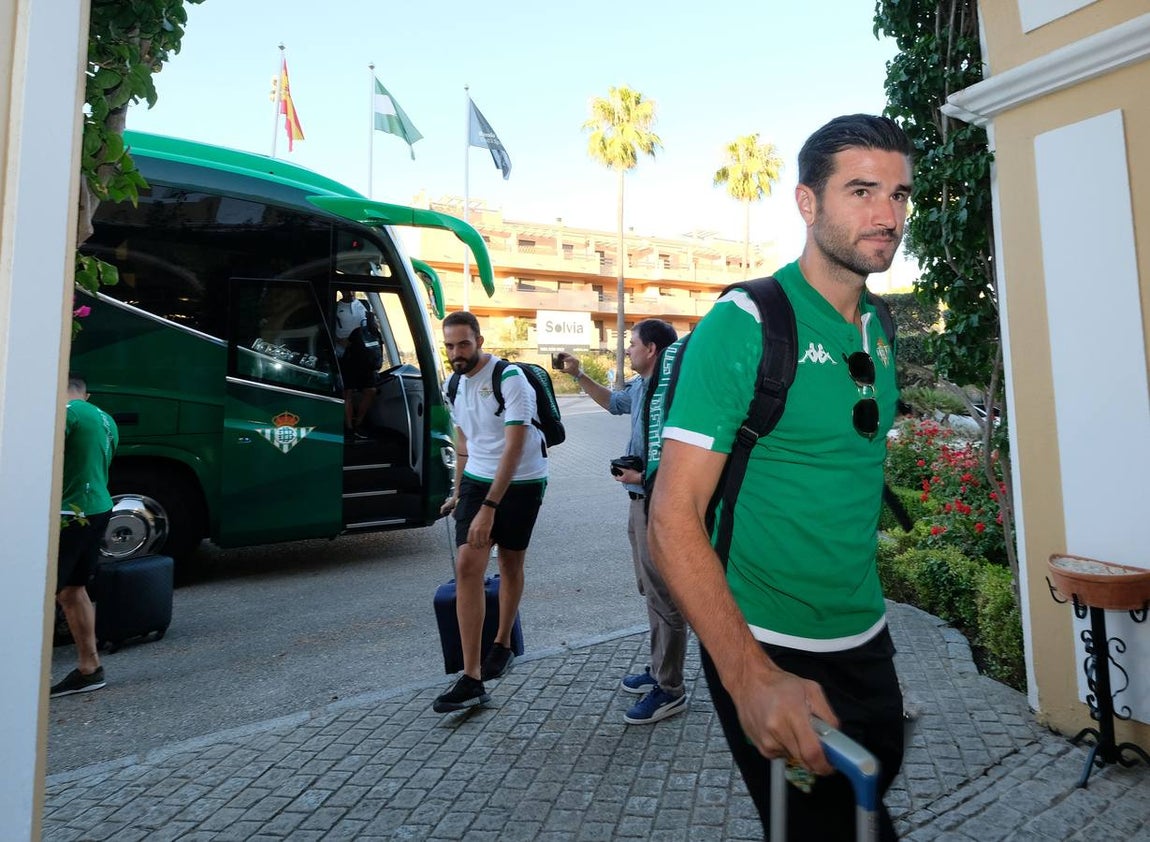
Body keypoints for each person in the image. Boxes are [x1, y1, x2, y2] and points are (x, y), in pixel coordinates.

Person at [648, 114, 913, 840]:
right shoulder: (747, 322)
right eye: (862, 191)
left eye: (899, 195)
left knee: (872, 789)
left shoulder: (881, 328)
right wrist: (748, 676)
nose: (887, 215)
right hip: (770, 645)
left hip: (867, 637)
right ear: (807, 202)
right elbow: (670, 519)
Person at [559, 320, 684, 725]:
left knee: (664, 594)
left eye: (632, 344)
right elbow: (614, 403)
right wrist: (578, 374)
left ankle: (671, 689)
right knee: (650, 589)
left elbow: (683, 456)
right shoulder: (642, 387)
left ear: (651, 350)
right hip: (639, 500)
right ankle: (659, 669)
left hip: (659, 501)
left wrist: (644, 476)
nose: (627, 350)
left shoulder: (675, 393)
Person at [434, 311, 548, 712]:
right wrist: (459, 490)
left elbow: (515, 445)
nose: (456, 353)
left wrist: (488, 508)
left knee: (511, 562)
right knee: (468, 565)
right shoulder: (452, 383)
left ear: (479, 340)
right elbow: (463, 440)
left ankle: (502, 642)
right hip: (480, 479)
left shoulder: (509, 378)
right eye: (449, 345)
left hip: (523, 479)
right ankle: (471, 677)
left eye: (463, 344)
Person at [51, 374, 119, 698]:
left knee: (44, 591)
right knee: (72, 590)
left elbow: (44, 455)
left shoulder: (66, 411)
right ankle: (89, 667)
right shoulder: (106, 418)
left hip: (68, 511)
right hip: (98, 507)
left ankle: (20, 672)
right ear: (86, 393)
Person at [334, 288, 377, 439]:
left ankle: (359, 422)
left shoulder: (364, 304)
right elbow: (328, 330)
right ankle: (350, 428)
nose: (350, 292)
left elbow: (373, 327)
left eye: (352, 289)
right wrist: (340, 341)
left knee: (371, 390)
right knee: (348, 392)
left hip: (365, 354)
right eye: (346, 290)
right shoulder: (335, 308)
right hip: (346, 354)